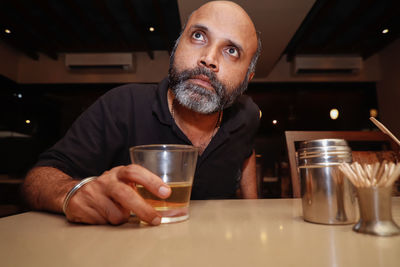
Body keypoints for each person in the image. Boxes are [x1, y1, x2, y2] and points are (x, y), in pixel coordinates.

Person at [22, 0, 262, 226]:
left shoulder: (247, 114)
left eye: (231, 51)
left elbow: (246, 151)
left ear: (246, 79)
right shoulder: (122, 105)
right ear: (176, 47)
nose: (209, 59)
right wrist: (73, 192)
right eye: (198, 36)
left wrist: (252, 210)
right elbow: (37, 179)